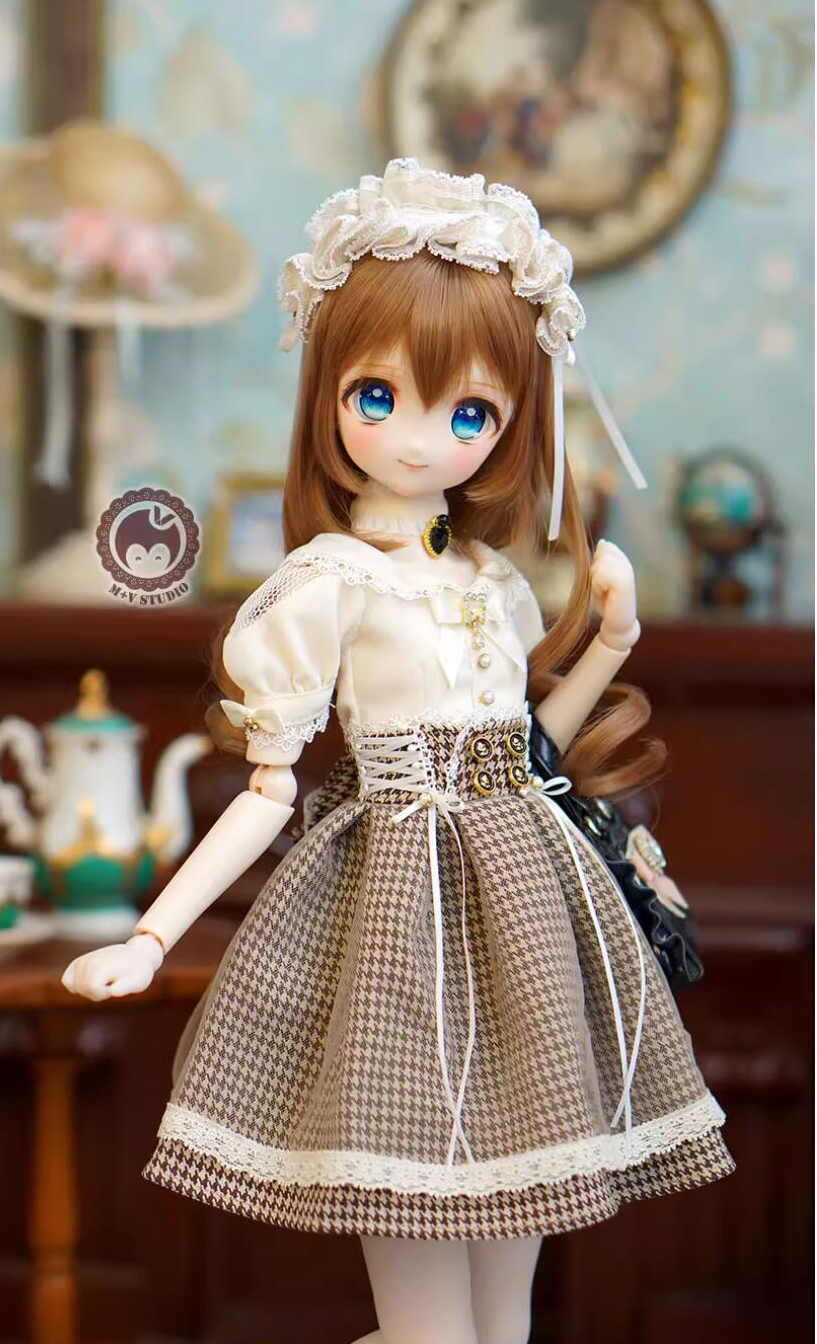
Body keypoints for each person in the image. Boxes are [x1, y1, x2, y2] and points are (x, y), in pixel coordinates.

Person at [63, 160, 734, 1344]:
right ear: (328, 393)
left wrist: (611, 643)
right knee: (432, 1314)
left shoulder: (488, 579)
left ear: (512, 422)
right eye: (377, 396)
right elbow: (268, 791)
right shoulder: (327, 583)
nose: (422, 439)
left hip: (524, 921)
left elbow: (529, 749)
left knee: (506, 1320)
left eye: (469, 413)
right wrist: (151, 935)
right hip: (395, 931)